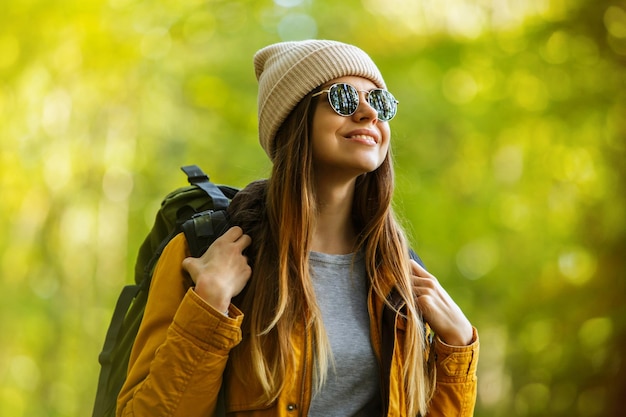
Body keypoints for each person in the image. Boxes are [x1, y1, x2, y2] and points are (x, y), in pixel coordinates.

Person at [116, 39, 479, 417]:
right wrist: (209, 305)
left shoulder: (398, 274)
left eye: (381, 102)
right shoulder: (203, 251)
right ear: (293, 118)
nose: (369, 113)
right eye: (343, 98)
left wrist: (457, 349)